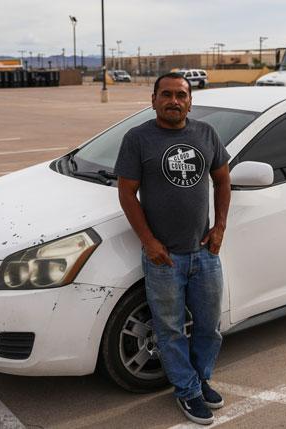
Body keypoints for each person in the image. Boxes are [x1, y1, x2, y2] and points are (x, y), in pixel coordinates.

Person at [114, 72, 231, 425]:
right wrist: (149, 242)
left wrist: (220, 227)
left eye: (181, 95)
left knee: (209, 326)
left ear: (190, 102)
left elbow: (223, 179)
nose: (174, 101)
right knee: (170, 330)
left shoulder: (206, 134)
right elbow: (126, 192)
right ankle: (187, 390)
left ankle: (201, 378)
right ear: (153, 100)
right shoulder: (138, 139)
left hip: (203, 253)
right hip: (163, 257)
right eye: (166, 94)